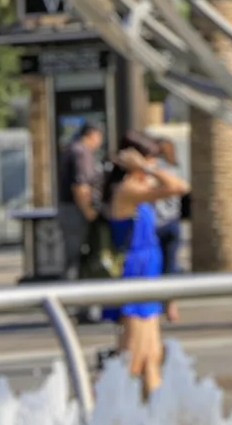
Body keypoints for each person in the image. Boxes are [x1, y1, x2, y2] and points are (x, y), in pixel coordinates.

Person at [102, 133, 188, 397]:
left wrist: (145, 168)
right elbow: (178, 187)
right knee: (133, 356)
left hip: (148, 270)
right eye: (150, 159)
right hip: (135, 271)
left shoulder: (138, 187)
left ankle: (155, 411)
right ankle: (108, 407)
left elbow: (179, 185)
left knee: (153, 354)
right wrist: (143, 168)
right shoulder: (127, 190)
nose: (154, 165)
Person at [58, 123, 103, 281]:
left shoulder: (73, 149)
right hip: (76, 210)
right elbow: (80, 186)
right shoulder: (81, 152)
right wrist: (89, 211)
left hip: (70, 209)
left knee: (73, 255)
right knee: (75, 256)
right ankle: (72, 291)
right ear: (92, 134)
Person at [151, 137, 185, 323]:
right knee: (170, 265)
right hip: (172, 222)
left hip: (156, 223)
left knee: (156, 266)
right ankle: (171, 305)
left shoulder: (155, 170)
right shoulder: (176, 169)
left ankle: (159, 303)